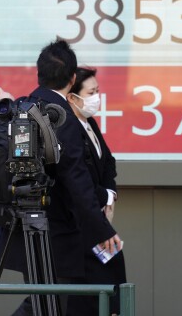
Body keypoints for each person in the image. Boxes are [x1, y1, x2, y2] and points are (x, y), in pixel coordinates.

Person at [0, 39, 122, 315]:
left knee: (43, 303)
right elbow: (78, 183)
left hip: (22, 227)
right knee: (47, 305)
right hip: (52, 237)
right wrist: (103, 230)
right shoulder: (63, 119)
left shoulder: (23, 107)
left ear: (39, 74)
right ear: (72, 79)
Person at [65, 67, 127, 316]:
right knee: (91, 293)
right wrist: (105, 197)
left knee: (114, 278)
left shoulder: (89, 122)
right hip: (82, 226)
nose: (96, 98)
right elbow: (80, 179)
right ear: (72, 97)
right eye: (91, 92)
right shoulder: (70, 130)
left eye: (98, 91)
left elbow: (108, 162)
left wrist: (110, 192)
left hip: (99, 217)